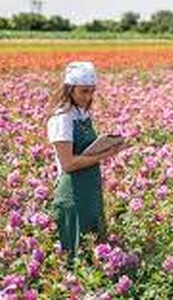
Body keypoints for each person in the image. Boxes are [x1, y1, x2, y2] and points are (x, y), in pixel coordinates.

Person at [46, 61, 128, 260]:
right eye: (83, 91)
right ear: (69, 89)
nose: (88, 97)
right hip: (72, 191)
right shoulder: (61, 118)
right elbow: (68, 164)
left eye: (92, 91)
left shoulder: (82, 114)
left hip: (90, 187)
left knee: (93, 245)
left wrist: (109, 145)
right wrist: (104, 154)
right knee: (76, 248)